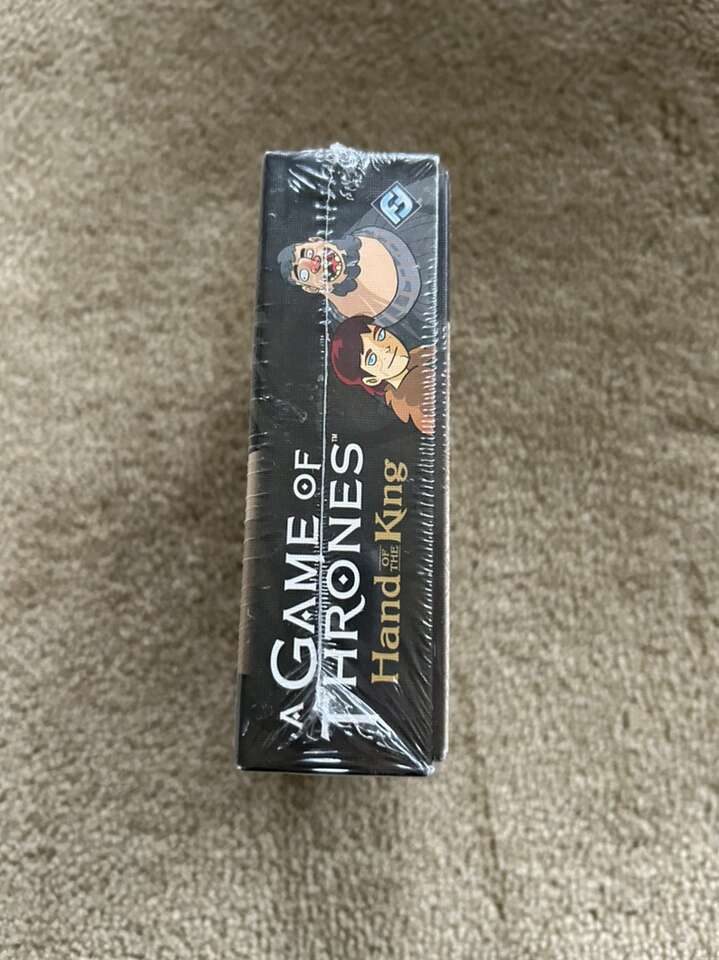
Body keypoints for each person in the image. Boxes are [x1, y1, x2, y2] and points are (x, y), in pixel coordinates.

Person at [277, 228, 421, 326]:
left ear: (316, 239)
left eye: (307, 253)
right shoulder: (347, 328)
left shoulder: (376, 224)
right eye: (304, 274)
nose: (314, 264)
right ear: (311, 289)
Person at [329, 315, 435, 436]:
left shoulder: (426, 353)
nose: (385, 348)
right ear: (372, 380)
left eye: (380, 336)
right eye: (372, 359)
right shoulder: (418, 408)